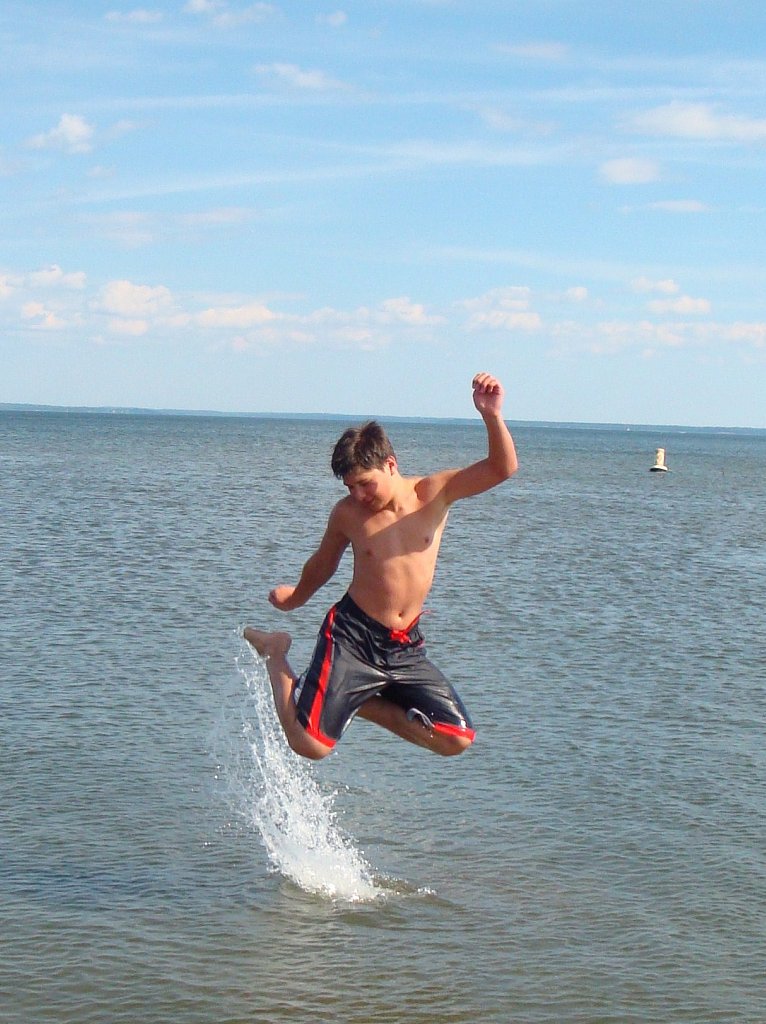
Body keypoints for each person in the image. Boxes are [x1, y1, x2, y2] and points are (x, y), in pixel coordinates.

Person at [245, 372, 518, 761]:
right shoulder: (347, 514)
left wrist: (491, 415)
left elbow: (500, 468)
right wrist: (294, 599)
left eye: (364, 483)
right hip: (353, 637)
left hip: (404, 646)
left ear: (391, 464)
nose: (358, 494)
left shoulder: (433, 494)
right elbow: (323, 564)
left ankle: (359, 701)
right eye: (350, 487)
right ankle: (275, 651)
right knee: (310, 746)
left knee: (455, 739)